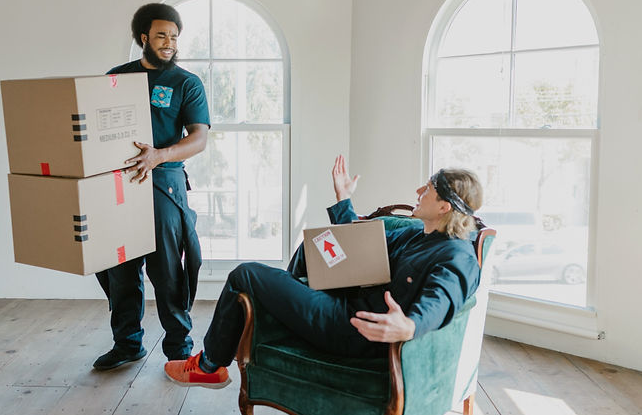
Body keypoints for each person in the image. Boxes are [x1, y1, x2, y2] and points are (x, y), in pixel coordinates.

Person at [163, 155, 483, 388]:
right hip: (347, 301)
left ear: (444, 207)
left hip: (351, 328)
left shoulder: (456, 256)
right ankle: (273, 322)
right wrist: (343, 197)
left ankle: (209, 365)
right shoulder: (417, 232)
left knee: (244, 274)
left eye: (427, 189)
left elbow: (442, 298)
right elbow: (358, 244)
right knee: (314, 246)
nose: (418, 191)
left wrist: (410, 326)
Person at [93, 3, 211, 370]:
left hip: (164, 183)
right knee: (120, 268)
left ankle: (178, 348)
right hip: (119, 185)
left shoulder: (186, 83)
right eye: (161, 35)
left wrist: (158, 156)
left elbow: (199, 139)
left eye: (174, 37)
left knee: (168, 272)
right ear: (144, 37)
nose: (169, 43)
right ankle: (127, 344)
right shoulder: (116, 79)